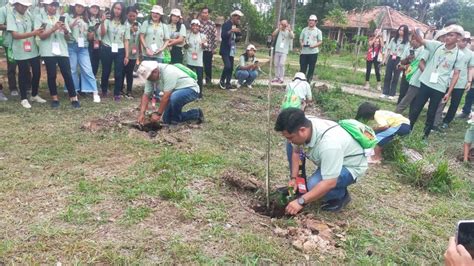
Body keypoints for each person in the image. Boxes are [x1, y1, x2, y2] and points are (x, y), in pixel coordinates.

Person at [275, 108, 368, 215]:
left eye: (290, 137)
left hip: (349, 166)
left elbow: (329, 182)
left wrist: (300, 201)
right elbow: (296, 152)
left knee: (314, 185)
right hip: (333, 158)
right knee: (291, 146)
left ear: (302, 130)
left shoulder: (329, 145)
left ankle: (339, 196)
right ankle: (300, 186)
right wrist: (294, 178)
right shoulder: (304, 123)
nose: (289, 140)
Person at [410, 24, 465, 140]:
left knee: (431, 112)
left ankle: (424, 136)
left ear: (458, 38)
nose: (447, 37)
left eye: (451, 35)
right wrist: (415, 30)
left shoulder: (459, 55)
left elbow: (456, 74)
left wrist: (448, 92)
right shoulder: (436, 46)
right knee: (416, 108)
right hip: (425, 83)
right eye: (446, 35)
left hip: (439, 87)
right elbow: (420, 40)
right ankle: (408, 130)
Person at [36, 0, 80, 108]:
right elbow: (41, 36)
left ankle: (73, 97)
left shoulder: (62, 18)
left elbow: (68, 38)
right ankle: (54, 98)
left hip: (62, 50)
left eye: (55, 5)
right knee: (51, 75)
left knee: (67, 73)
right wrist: (53, 28)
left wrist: (65, 30)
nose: (53, 8)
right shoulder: (40, 17)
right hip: (48, 50)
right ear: (46, 5)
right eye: (51, 5)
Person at [136, 61, 204, 125]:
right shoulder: (150, 77)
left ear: (155, 71)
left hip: (190, 89)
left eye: (150, 77)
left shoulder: (168, 72)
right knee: (166, 120)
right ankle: (196, 114)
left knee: (174, 97)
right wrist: (142, 113)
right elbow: (146, 95)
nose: (149, 80)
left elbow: (166, 97)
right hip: (174, 93)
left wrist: (158, 114)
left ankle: (175, 121)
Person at [7, 0, 45, 109]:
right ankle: (23, 98)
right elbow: (15, 35)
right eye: (22, 6)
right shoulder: (11, 16)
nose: (24, 8)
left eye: (26, 6)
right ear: (16, 5)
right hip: (19, 49)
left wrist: (40, 29)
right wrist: (33, 33)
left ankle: (34, 94)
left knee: (37, 71)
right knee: (23, 73)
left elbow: (34, 28)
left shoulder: (29, 14)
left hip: (32, 48)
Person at [437, 31, 473, 129]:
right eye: (463, 40)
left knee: (455, 103)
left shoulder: (470, 54)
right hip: (446, 80)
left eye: (467, 41)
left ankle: (447, 121)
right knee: (442, 100)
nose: (464, 42)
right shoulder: (450, 49)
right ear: (458, 39)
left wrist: (469, 81)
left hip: (460, 82)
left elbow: (470, 68)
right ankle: (436, 118)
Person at [66, 0, 100, 103]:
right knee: (72, 70)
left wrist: (92, 31)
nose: (79, 8)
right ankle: (73, 91)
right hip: (71, 46)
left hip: (83, 47)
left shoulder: (87, 19)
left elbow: (89, 37)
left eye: (81, 6)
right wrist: (72, 24)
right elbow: (65, 33)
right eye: (78, 6)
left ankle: (95, 92)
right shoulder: (68, 16)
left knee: (87, 69)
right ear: (74, 6)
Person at [99, 2, 130, 101]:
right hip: (107, 47)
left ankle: (117, 93)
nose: (117, 11)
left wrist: (127, 55)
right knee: (106, 71)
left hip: (120, 49)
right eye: (115, 8)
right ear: (113, 9)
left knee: (118, 72)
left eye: (119, 9)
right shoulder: (108, 20)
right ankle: (104, 90)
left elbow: (126, 40)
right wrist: (102, 22)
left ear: (122, 11)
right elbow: (102, 34)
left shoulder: (125, 23)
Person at [282, 72, 312, 172]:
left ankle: (296, 179)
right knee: (298, 155)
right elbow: (309, 99)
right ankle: (298, 180)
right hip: (298, 113)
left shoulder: (289, 84)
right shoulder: (306, 84)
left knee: (296, 152)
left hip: (287, 112)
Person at [395, 32, 430, 114]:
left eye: (417, 39)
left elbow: (420, 64)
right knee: (403, 93)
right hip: (407, 75)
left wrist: (406, 66)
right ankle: (397, 112)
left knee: (413, 97)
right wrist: (408, 58)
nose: (414, 41)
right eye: (413, 39)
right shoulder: (408, 49)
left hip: (416, 77)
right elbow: (402, 61)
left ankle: (409, 113)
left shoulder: (424, 50)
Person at [381, 25, 409, 99]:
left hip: (399, 59)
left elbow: (405, 52)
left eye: (403, 30)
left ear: (405, 32)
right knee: (388, 75)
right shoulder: (393, 39)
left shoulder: (406, 42)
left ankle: (392, 94)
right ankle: (385, 92)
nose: (401, 31)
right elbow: (388, 49)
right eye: (400, 29)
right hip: (391, 57)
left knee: (395, 77)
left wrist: (401, 62)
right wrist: (384, 59)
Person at [219, 10, 243, 90]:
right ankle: (222, 80)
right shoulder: (226, 24)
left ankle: (228, 83)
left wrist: (239, 36)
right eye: (237, 18)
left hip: (231, 50)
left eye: (239, 18)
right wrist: (231, 31)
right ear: (233, 16)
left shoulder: (236, 26)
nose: (238, 19)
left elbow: (237, 38)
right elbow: (223, 36)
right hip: (225, 49)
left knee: (231, 67)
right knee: (227, 65)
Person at [0, 0, 19, 98]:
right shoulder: (3, 10)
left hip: (22, 41)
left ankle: (28, 86)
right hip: (9, 42)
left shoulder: (21, 8)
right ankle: (13, 88)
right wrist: (11, 26)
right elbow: (0, 25)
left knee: (25, 65)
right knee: (12, 65)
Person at [185, 19, 207, 98]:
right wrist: (186, 44)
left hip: (198, 60)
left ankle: (199, 94)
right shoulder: (187, 35)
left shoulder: (202, 36)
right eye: (193, 25)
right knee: (189, 77)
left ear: (199, 27)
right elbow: (185, 46)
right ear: (191, 26)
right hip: (190, 59)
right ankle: (188, 93)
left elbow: (205, 46)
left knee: (199, 78)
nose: (195, 27)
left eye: (197, 26)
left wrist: (203, 45)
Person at [122, 6, 140, 99]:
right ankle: (120, 89)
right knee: (122, 71)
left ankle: (129, 91)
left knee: (130, 72)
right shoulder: (124, 25)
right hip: (124, 52)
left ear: (136, 15)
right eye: (130, 16)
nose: (132, 18)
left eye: (134, 16)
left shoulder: (139, 25)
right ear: (126, 15)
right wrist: (129, 30)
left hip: (134, 53)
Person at [299, 14, 322, 84]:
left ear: (316, 22)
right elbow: (300, 39)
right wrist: (301, 43)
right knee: (303, 67)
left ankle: (308, 82)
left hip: (313, 52)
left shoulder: (318, 31)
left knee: (311, 68)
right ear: (308, 21)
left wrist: (314, 46)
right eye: (310, 20)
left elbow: (320, 41)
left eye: (313, 21)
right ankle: (301, 81)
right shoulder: (304, 30)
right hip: (304, 52)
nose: (311, 22)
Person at [272, 19, 294, 84]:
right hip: (277, 50)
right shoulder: (278, 30)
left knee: (281, 64)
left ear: (287, 24)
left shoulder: (289, 31)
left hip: (284, 51)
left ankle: (281, 77)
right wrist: (279, 28)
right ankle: (276, 77)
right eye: (282, 24)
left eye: (285, 24)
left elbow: (292, 37)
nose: (283, 26)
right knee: (276, 64)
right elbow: (273, 34)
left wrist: (290, 30)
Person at [198, 7, 217, 86]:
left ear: (208, 14)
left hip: (209, 48)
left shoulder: (212, 23)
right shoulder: (197, 23)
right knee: (199, 65)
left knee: (208, 65)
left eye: (206, 13)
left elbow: (214, 36)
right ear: (201, 13)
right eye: (203, 12)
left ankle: (208, 81)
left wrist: (214, 47)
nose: (204, 14)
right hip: (199, 48)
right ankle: (199, 80)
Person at [87, 3, 102, 77]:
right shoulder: (86, 19)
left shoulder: (100, 20)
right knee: (89, 63)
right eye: (93, 7)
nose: (95, 9)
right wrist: (94, 28)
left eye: (97, 7)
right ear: (89, 9)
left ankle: (93, 80)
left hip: (98, 42)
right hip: (89, 43)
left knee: (96, 63)